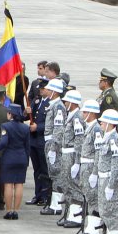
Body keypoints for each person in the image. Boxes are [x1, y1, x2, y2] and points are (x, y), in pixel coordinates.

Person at [95, 109, 118, 234]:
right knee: (104, 210)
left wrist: (112, 185)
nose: (100, 122)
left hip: (109, 179)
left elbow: (116, 164)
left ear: (110, 124)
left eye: (103, 121)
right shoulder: (106, 137)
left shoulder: (115, 139)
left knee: (110, 212)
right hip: (103, 178)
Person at [74, 99, 102, 234]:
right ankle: (89, 228)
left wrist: (95, 173)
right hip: (86, 165)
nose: (83, 114)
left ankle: (93, 230)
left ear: (91, 113)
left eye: (85, 111)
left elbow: (98, 152)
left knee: (92, 199)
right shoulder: (89, 127)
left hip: (91, 166)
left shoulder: (96, 129)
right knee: (88, 197)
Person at [0, 104, 30, 220]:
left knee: (9, 184)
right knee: (19, 184)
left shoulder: (5, 126)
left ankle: (9, 210)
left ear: (10, 114)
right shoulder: (25, 128)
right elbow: (27, 146)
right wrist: (26, 159)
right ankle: (16, 211)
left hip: (9, 158)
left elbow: (4, 142)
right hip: (21, 157)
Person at [58, 89, 86, 229]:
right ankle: (69, 213)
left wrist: (77, 161)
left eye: (67, 101)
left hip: (72, 153)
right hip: (66, 153)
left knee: (73, 184)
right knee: (66, 183)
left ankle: (76, 216)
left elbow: (79, 140)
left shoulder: (77, 118)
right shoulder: (71, 115)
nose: (65, 103)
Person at [41, 78, 67, 216]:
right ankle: (54, 203)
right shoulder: (53, 105)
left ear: (55, 92)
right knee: (53, 173)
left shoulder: (58, 107)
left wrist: (53, 148)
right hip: (49, 142)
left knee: (57, 174)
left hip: (53, 143)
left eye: (49, 89)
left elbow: (58, 129)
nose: (46, 91)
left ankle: (56, 205)